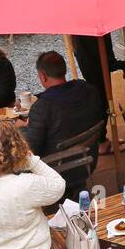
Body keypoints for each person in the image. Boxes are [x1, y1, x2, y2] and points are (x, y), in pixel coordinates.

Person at [22, 51, 105, 198]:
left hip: (56, 168)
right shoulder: (89, 89)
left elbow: (31, 149)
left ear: (42, 76)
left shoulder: (42, 107)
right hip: (87, 161)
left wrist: (21, 129)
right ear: (63, 70)